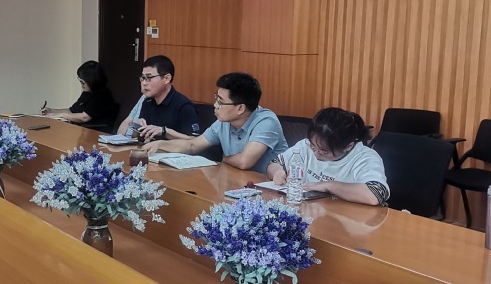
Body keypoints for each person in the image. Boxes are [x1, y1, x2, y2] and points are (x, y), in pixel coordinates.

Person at [145, 72, 287, 172]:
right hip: (237, 182)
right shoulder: (224, 122)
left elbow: (244, 162)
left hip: (270, 189)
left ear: (240, 108)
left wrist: (224, 159)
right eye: (216, 98)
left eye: (221, 101)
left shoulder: (266, 122)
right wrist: (160, 144)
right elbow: (192, 145)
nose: (215, 105)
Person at [266, 107, 389, 206]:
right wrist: (278, 172)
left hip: (348, 219)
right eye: (313, 147)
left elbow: (375, 195)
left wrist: (328, 186)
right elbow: (275, 164)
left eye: (324, 152)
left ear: (348, 146)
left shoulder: (365, 157)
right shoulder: (306, 145)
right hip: (311, 211)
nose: (316, 153)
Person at [116, 55, 199, 141]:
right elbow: (136, 138)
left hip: (170, 149)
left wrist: (165, 132)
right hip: (149, 148)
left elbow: (194, 142)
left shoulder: (183, 106)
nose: (144, 83)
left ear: (166, 78)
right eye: (143, 78)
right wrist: (138, 127)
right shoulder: (147, 102)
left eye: (149, 78)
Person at [41, 61, 119, 126]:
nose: (81, 85)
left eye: (83, 82)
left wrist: (62, 115)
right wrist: (51, 111)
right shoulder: (87, 93)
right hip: (82, 131)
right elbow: (71, 111)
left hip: (96, 132)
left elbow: (84, 117)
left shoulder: (102, 95)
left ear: (92, 81)